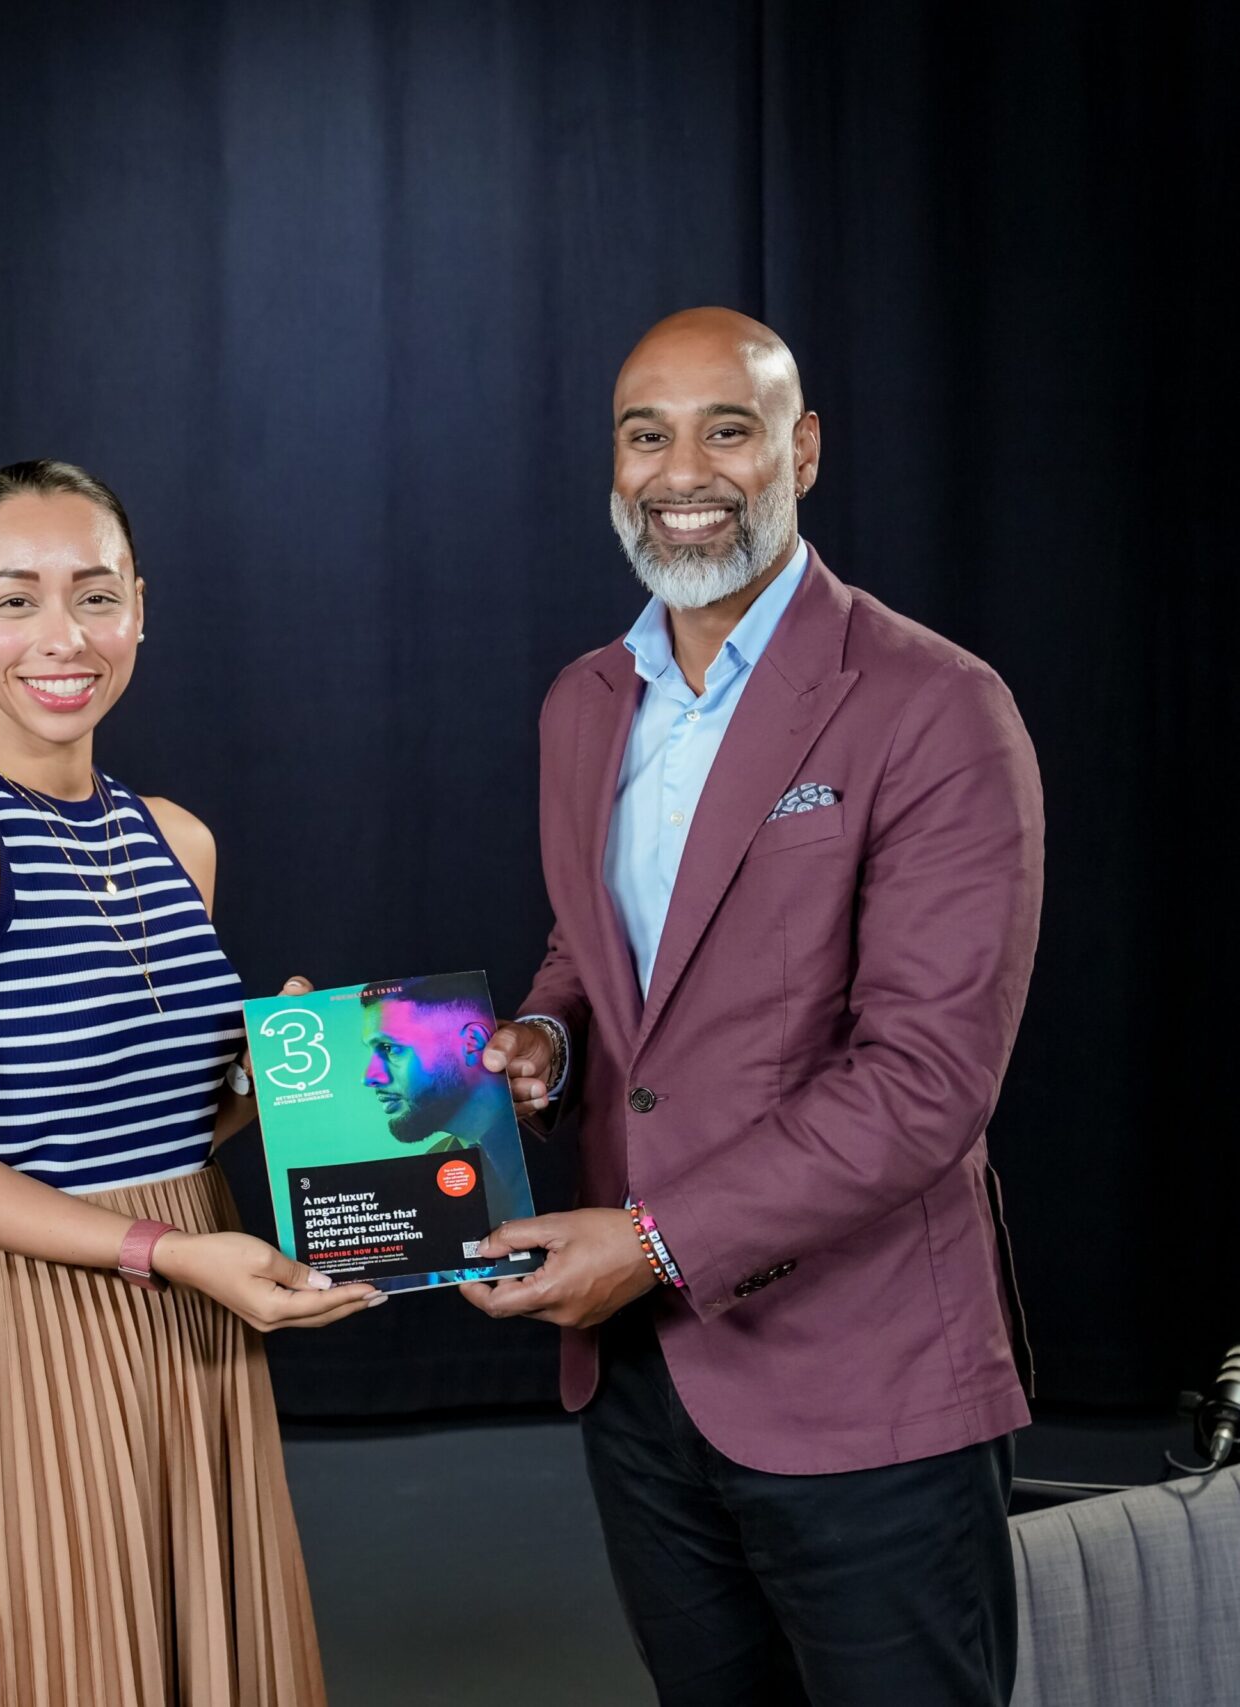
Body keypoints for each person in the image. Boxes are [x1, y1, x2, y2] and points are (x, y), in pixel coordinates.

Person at [463, 309, 1044, 1705]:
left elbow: (924, 1083)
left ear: (805, 449)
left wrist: (654, 1240)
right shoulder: (586, 703)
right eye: (645, 433)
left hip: (862, 1377)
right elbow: (602, 943)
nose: (684, 468)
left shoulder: (934, 706)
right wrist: (549, 1032)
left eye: (728, 427)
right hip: (642, 1387)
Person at [0, 460, 378, 1707]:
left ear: (140, 607)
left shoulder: (177, 837)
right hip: (34, 1322)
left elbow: (175, 1116)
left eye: (93, 596)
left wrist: (289, 1072)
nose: (60, 638)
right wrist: (172, 1256)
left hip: (196, 1302)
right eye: (15, 599)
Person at [357, 974, 531, 1228]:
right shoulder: (436, 1163)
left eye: (390, 1048)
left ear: (472, 1045)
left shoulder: (542, 1153)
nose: (369, 1076)